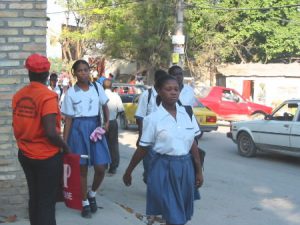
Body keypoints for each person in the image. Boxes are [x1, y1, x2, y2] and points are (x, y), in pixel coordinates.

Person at [123, 75, 203, 225]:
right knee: (174, 216)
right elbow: (143, 148)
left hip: (186, 168)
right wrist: (129, 171)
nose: (173, 92)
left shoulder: (187, 114)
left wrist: (198, 171)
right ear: (159, 91)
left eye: (176, 89)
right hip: (164, 169)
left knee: (181, 215)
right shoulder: (153, 119)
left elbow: (193, 143)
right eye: (168, 89)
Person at [12, 54, 70, 225]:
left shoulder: (19, 95)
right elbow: (51, 133)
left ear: (28, 72)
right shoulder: (48, 96)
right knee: (46, 202)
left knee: (35, 198)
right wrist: (65, 147)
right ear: (47, 74)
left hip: (25, 154)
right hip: (46, 158)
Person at [61, 59, 111, 218]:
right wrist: (65, 142)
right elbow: (68, 119)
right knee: (82, 169)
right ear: (74, 73)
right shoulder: (70, 93)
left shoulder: (97, 88)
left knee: (101, 167)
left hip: (95, 129)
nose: (83, 72)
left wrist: (107, 122)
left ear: (90, 71)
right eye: (80, 70)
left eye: (86, 69)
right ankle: (84, 203)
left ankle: (92, 193)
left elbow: (104, 105)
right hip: (78, 130)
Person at [134, 69, 168, 183]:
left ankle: (155, 184)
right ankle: (149, 178)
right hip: (149, 137)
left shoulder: (167, 94)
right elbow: (140, 117)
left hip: (164, 137)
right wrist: (140, 136)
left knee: (161, 165)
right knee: (149, 164)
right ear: (155, 80)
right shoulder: (146, 95)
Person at [102, 79, 124, 174]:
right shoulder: (115, 96)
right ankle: (113, 167)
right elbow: (120, 110)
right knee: (113, 145)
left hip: (102, 123)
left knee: (102, 144)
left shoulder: (100, 95)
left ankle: (103, 165)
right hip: (112, 122)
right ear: (111, 86)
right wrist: (114, 117)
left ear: (103, 86)